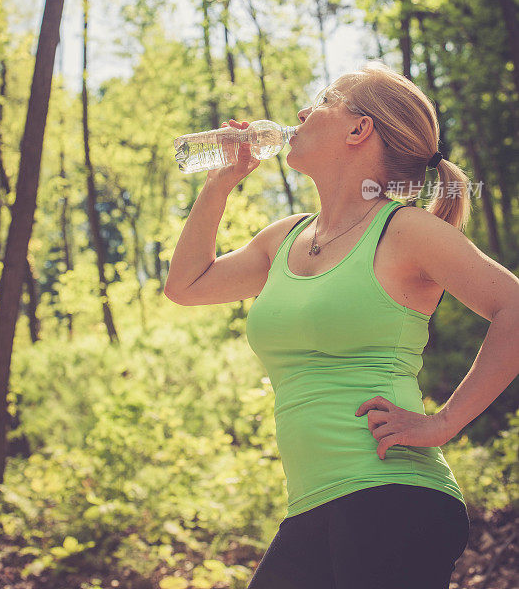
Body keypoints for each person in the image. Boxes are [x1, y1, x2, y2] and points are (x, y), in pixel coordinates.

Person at [164, 61, 519, 589]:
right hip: (312, 505)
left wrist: (444, 423)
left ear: (360, 129)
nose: (303, 111)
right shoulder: (283, 238)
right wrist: (222, 182)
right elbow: (186, 285)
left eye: (324, 98)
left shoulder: (406, 230)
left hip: (393, 495)